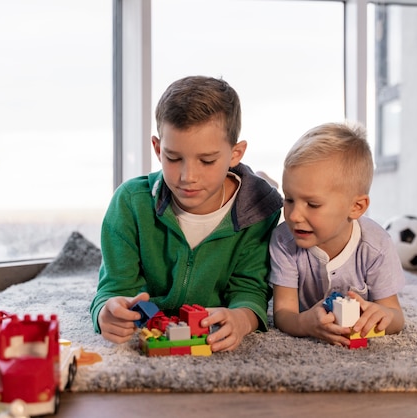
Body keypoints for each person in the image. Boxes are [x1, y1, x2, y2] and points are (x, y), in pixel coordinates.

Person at [90, 75, 282, 352]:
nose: (187, 176)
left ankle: (261, 177)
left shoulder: (259, 212)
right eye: (173, 158)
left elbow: (251, 290)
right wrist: (105, 312)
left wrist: (242, 318)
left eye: (207, 160)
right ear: (157, 148)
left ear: (235, 153)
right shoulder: (130, 203)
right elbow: (114, 288)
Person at [268, 122, 405, 347]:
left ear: (356, 207)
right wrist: (304, 324)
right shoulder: (284, 241)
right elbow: (284, 314)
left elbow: (396, 316)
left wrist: (383, 316)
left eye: (312, 204)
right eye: (289, 199)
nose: (293, 216)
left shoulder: (376, 245)